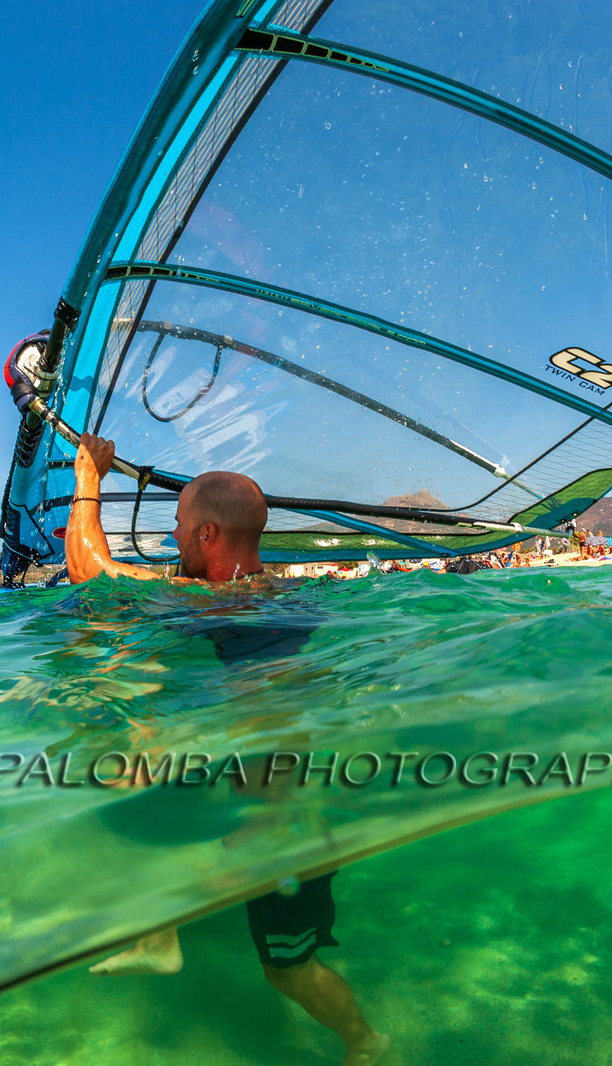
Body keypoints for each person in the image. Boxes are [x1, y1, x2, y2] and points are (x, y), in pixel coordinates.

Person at [67, 434, 390, 1066]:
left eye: (182, 529)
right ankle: (160, 934)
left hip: (280, 818)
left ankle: (368, 1046)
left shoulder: (219, 600)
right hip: (249, 787)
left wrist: (88, 477)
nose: (175, 541)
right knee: (132, 764)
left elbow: (93, 574)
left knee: (290, 970)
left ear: (208, 535)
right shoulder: (286, 596)